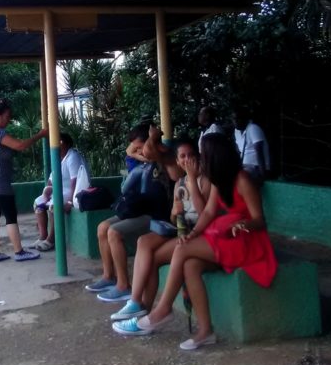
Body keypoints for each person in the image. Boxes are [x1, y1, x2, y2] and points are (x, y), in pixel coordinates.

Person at [113, 132, 277, 349]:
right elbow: (208, 214)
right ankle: (205, 331)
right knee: (190, 265)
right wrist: (194, 233)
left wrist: (244, 224)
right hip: (224, 236)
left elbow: (260, 220)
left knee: (182, 251)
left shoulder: (242, 179)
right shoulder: (220, 180)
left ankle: (161, 312)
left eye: (203, 155)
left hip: (246, 241)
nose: (199, 159)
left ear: (216, 156)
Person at [108, 137, 205, 322]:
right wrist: (175, 213)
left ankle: (146, 311)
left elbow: (204, 214)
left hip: (196, 233)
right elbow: (174, 218)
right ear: (177, 161)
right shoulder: (179, 183)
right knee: (143, 242)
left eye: (191, 155)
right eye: (182, 156)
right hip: (179, 230)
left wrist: (192, 179)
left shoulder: (203, 180)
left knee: (151, 257)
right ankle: (137, 304)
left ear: (198, 157)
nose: (187, 160)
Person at [86, 124, 180, 303]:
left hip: (156, 216)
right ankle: (109, 276)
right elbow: (129, 151)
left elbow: (154, 154)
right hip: (139, 210)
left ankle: (123, 286)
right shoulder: (143, 163)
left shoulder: (166, 158)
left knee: (114, 232)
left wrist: (151, 141)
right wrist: (140, 150)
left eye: (141, 147)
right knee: (102, 228)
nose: (138, 151)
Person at [0, 98, 48, 263]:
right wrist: (41, 135)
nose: (9, 119)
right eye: (7, 116)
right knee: (10, 215)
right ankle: (19, 251)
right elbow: (20, 146)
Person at [30, 133, 88, 251]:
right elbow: (51, 180)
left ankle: (51, 240)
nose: (54, 146)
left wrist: (71, 202)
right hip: (60, 191)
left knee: (54, 205)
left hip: (73, 191)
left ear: (62, 143)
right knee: (38, 203)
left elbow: (75, 181)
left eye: (57, 142)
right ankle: (43, 236)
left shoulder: (72, 156)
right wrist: (46, 193)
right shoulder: (60, 159)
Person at [233, 107, 270, 186]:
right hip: (245, 166)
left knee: (240, 178)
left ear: (245, 119)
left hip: (256, 167)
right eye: (233, 118)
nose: (235, 121)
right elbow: (238, 152)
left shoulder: (253, 128)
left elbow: (259, 152)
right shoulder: (236, 131)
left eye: (238, 119)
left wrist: (263, 175)